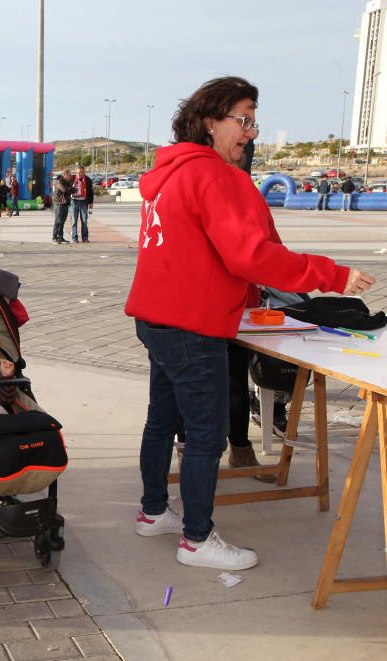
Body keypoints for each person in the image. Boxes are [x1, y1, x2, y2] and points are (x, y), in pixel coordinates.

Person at [126, 75, 374, 571]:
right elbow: (254, 256)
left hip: (157, 317)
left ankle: (154, 511)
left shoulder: (170, 174)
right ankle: (197, 539)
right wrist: (333, 274)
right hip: (191, 326)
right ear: (210, 122)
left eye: (254, 122)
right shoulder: (215, 176)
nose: (251, 132)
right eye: (243, 120)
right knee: (205, 435)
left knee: (162, 421)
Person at [70, 166, 94, 243]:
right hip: (74, 201)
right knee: (74, 221)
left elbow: (90, 192)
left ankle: (85, 238)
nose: (79, 174)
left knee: (84, 220)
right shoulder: (72, 179)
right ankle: (74, 238)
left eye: (81, 172)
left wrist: (91, 203)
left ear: (84, 172)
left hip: (84, 202)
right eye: (78, 172)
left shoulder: (88, 180)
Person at [52, 168, 72, 244]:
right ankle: (54, 237)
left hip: (65, 203)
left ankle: (60, 237)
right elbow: (64, 190)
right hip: (59, 203)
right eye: (69, 175)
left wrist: (71, 189)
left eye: (70, 175)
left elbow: (70, 189)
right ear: (64, 175)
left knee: (62, 222)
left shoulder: (67, 182)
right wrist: (71, 190)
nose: (70, 176)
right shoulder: (59, 181)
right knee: (58, 221)